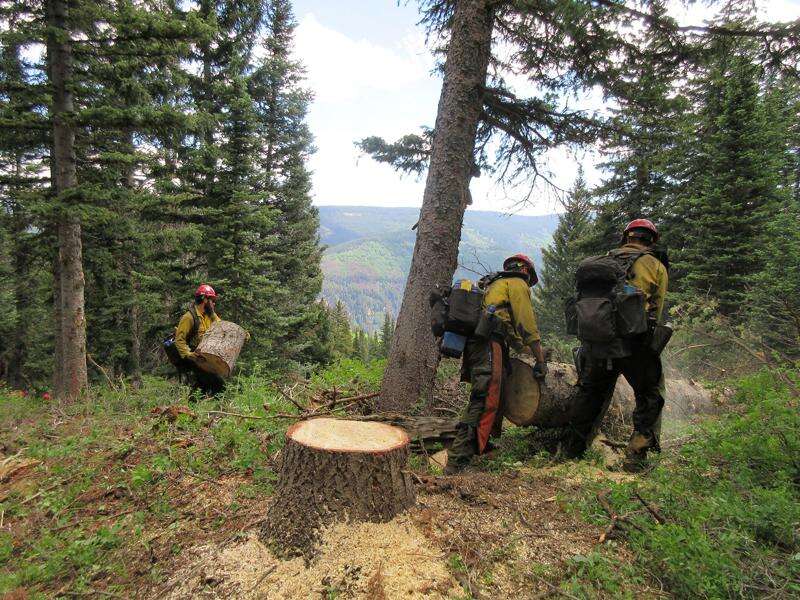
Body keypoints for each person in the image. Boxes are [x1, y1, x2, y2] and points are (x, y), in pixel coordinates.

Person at [568, 219, 668, 471]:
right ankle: (636, 458)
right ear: (651, 240)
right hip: (635, 344)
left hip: (598, 344)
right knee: (650, 394)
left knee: (590, 394)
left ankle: (570, 451)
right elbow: (657, 307)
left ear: (626, 237)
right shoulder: (654, 264)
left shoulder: (604, 262)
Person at [445, 254, 547, 474]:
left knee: (494, 396)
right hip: (489, 346)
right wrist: (540, 359)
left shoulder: (493, 285)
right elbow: (526, 325)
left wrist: (530, 350)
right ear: (527, 272)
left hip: (478, 346)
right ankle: (457, 463)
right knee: (484, 399)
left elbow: (512, 334)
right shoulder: (517, 284)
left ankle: (482, 447)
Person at [174, 284, 225, 397]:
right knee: (218, 384)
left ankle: (191, 409)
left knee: (202, 386)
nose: (214, 303)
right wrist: (189, 354)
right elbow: (179, 340)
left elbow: (222, 328)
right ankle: (217, 411)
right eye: (212, 300)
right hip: (192, 357)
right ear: (204, 300)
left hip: (204, 356)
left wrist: (240, 334)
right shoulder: (188, 317)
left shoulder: (210, 315)